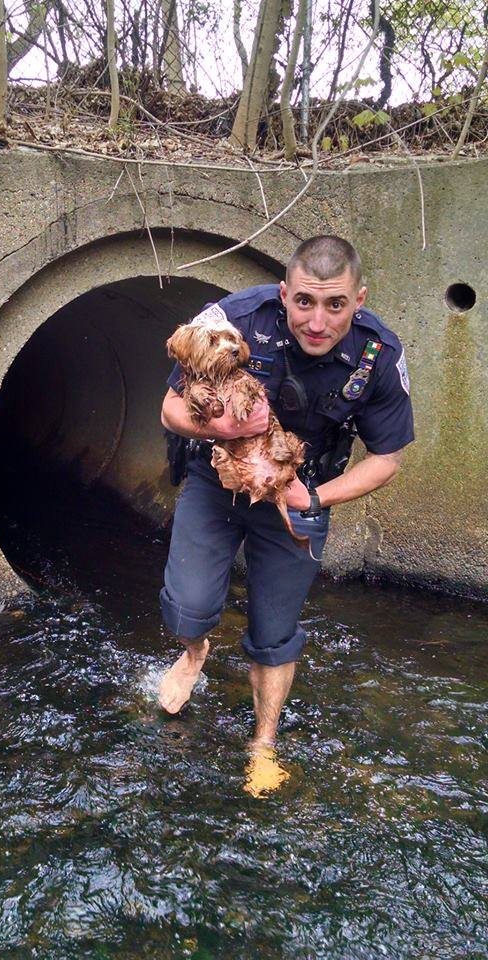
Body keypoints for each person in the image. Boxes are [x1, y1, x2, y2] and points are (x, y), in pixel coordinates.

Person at [158, 235, 414, 795]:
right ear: (283, 293)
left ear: (359, 299)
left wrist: (314, 499)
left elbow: (387, 459)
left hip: (300, 489)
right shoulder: (235, 319)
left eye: (335, 305)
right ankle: (194, 649)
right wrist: (221, 428)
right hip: (217, 474)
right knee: (191, 605)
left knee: (275, 632)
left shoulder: (379, 356)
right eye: (304, 302)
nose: (317, 321)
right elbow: (171, 407)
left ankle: (264, 741)